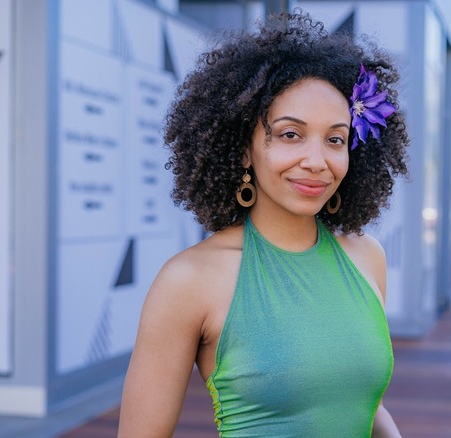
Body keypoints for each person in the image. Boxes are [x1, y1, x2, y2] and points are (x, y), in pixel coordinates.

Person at [117, 10, 409, 438]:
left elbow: (362, 404)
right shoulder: (189, 279)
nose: (316, 161)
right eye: (290, 134)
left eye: (335, 139)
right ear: (243, 149)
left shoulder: (367, 256)